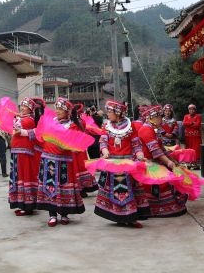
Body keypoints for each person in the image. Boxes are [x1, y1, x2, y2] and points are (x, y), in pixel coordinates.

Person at [94, 100, 148, 228]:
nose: (107, 114)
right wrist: (105, 151)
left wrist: (140, 154)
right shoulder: (106, 126)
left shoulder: (130, 126)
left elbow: (136, 144)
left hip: (128, 163)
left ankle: (131, 218)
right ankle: (118, 216)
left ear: (117, 113)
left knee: (128, 190)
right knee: (115, 190)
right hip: (112, 163)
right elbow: (103, 142)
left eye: (109, 111)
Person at [35, 98, 86, 227]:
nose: (57, 111)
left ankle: (64, 214)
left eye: (60, 109)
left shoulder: (72, 126)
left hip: (64, 161)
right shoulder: (50, 122)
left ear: (67, 112)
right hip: (48, 159)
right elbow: (41, 138)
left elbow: (75, 143)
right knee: (49, 186)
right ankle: (52, 215)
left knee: (63, 186)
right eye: (56, 108)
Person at [136, 105, 186, 218]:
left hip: (155, 161)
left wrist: (172, 160)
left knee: (177, 174)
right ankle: (157, 209)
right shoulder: (146, 130)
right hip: (148, 163)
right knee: (164, 180)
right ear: (151, 118)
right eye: (159, 117)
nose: (161, 119)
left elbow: (161, 148)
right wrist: (168, 162)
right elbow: (155, 151)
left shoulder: (153, 129)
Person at [9, 97, 44, 216]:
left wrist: (7, 116)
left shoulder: (28, 120)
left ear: (30, 109)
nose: (22, 108)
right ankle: (22, 203)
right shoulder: (22, 118)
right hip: (18, 151)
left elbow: (15, 127)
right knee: (19, 177)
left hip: (24, 152)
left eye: (25, 107)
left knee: (24, 177)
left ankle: (27, 205)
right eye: (22, 106)